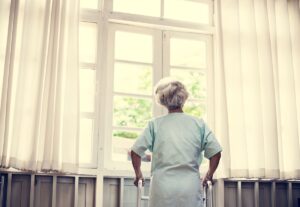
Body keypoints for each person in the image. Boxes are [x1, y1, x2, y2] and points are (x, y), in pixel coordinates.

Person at [131, 77, 222, 207]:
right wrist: (209, 175)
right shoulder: (199, 124)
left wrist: (138, 174)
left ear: (162, 100)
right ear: (183, 98)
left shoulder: (154, 124)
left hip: (162, 189)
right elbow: (216, 153)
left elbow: (135, 152)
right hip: (189, 189)